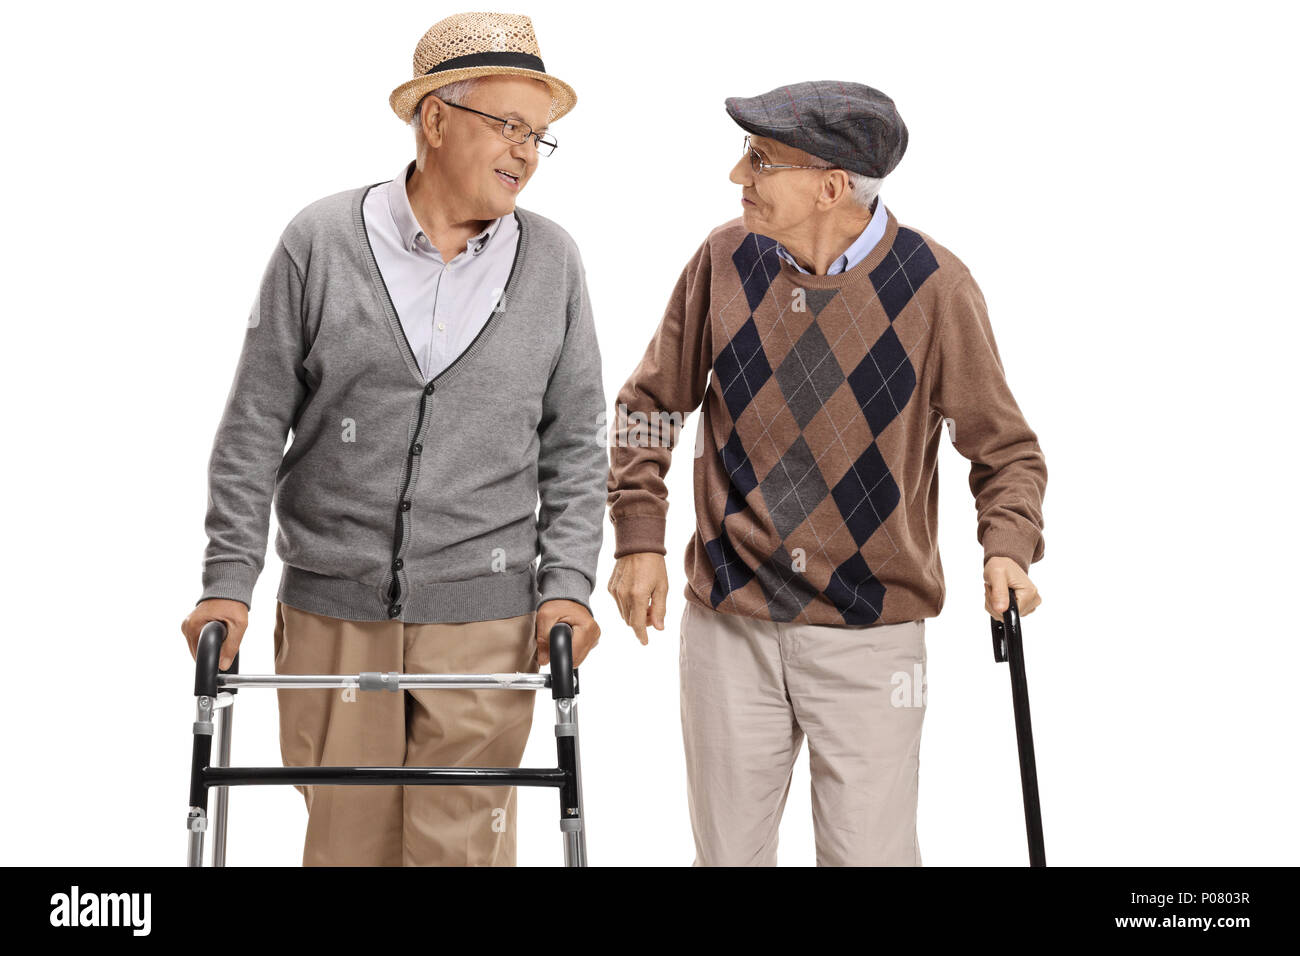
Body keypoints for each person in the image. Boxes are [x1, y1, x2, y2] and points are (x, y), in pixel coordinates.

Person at [180, 12, 606, 866]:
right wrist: (228, 582)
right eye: (508, 126)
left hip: (488, 614)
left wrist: (567, 586)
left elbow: (578, 441)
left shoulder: (553, 260)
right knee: (346, 844)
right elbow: (254, 423)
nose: (525, 153)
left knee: (463, 849)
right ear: (436, 120)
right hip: (332, 607)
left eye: (540, 137)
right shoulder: (321, 241)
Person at [606, 80, 1047, 866]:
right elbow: (649, 404)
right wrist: (638, 537)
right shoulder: (722, 260)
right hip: (729, 625)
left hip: (869, 634)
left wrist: (1007, 546)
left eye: (760, 159)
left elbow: (1005, 448)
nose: (738, 176)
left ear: (832, 186)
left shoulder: (935, 288)